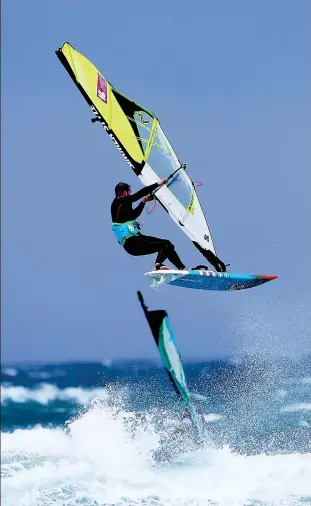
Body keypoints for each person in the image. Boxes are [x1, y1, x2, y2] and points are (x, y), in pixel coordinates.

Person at [111, 180, 188, 271]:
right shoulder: (122, 201)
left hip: (133, 243)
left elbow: (133, 215)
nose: (130, 194)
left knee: (167, 244)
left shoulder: (117, 205)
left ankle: (182, 268)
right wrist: (158, 184)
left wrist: (143, 202)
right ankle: (158, 266)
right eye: (129, 192)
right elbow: (141, 193)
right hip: (132, 242)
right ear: (124, 193)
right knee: (164, 246)